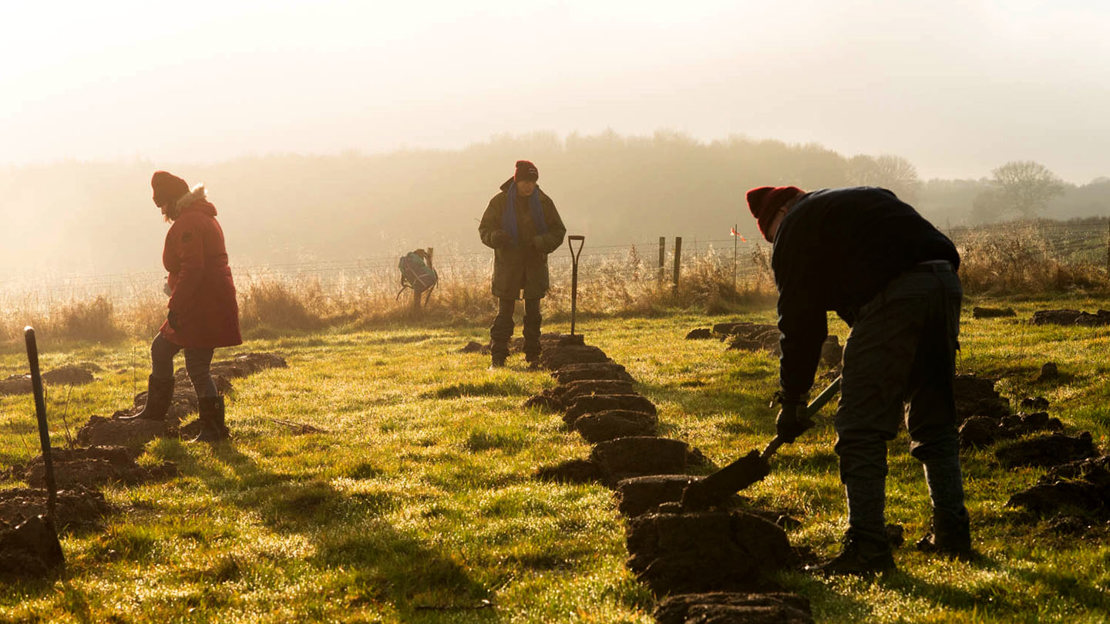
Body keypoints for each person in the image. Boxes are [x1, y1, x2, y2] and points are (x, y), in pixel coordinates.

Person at [747, 185, 970, 575]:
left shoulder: (795, 230)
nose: (774, 242)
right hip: (943, 281)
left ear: (781, 211)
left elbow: (801, 324)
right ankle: (952, 534)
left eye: (771, 233)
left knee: (859, 427)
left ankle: (867, 549)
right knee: (933, 415)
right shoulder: (852, 201)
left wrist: (793, 397)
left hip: (896, 294)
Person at [120, 171, 242, 443]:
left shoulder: (189, 223)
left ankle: (212, 430)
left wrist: (175, 304)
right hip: (203, 301)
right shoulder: (201, 217)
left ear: (173, 200)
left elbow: (194, 268)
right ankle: (154, 415)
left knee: (196, 367)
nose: (162, 211)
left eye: (163, 204)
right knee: (162, 349)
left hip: (201, 305)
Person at [478, 160, 567, 368]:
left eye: (533, 181)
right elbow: (484, 230)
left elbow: (558, 232)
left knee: (534, 315)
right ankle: (498, 358)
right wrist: (496, 237)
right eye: (525, 181)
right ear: (517, 181)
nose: (529, 185)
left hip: (535, 265)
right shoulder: (499, 202)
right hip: (508, 266)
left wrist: (540, 242)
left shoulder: (545, 203)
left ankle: (533, 358)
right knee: (504, 314)